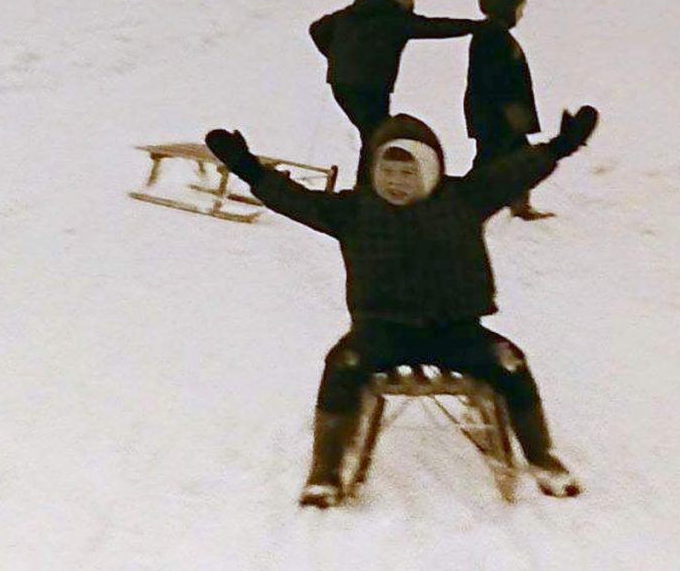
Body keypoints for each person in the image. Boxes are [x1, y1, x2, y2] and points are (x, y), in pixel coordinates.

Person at [205, 103, 599, 509]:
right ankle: (325, 470)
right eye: (387, 171)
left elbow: (513, 173)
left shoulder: (464, 199)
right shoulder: (356, 210)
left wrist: (560, 146)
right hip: (382, 332)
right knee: (342, 366)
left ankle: (542, 457)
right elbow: (296, 200)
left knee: (511, 364)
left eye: (407, 173)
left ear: (429, 170)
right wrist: (248, 168)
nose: (395, 182)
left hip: (456, 330)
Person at [309, 0, 481, 184]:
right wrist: (476, 26)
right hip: (370, 88)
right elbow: (434, 27)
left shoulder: (352, 12)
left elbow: (317, 29)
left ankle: (368, 185)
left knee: (374, 135)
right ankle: (367, 188)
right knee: (377, 136)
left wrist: (338, 58)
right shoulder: (394, 18)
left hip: (341, 84)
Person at [465, 0, 549, 220]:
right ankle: (464, 205)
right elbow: (495, 81)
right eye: (519, 8)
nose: (521, 14)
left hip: (498, 116)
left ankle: (519, 206)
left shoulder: (493, 34)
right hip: (497, 118)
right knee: (494, 161)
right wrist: (512, 111)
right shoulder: (493, 37)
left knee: (512, 158)